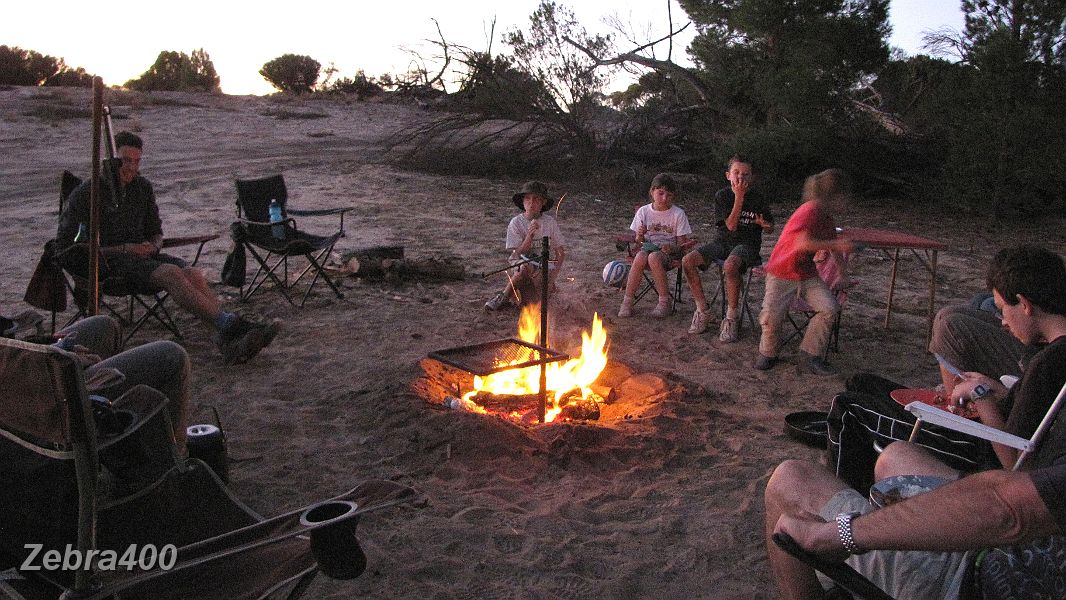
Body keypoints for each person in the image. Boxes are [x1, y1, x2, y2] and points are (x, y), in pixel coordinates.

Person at [827, 245, 1066, 491]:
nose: (1003, 322)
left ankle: (852, 517)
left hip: (979, 451)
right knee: (861, 383)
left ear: (1024, 305)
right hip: (986, 435)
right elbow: (1036, 408)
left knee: (848, 408)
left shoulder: (1047, 363)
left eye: (1002, 308)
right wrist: (998, 390)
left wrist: (980, 395)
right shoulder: (1052, 354)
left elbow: (1015, 462)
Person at [56, 131, 276, 365]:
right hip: (107, 264)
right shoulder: (87, 194)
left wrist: (154, 245)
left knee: (193, 274)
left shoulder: (142, 187)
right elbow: (68, 246)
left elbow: (156, 230)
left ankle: (225, 340)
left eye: (136, 161)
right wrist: (124, 249)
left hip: (143, 258)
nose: (131, 167)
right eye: (125, 161)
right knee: (171, 273)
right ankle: (231, 325)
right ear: (110, 160)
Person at [764, 458, 1065, 600]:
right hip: (1020, 554)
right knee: (895, 457)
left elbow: (1008, 511)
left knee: (790, 478)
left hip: (968, 575)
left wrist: (839, 534)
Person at [754, 169, 853, 376]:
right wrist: (839, 245)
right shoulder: (809, 211)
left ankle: (810, 355)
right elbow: (803, 243)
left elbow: (833, 246)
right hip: (782, 270)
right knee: (772, 316)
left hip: (806, 273)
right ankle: (768, 353)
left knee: (829, 308)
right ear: (833, 196)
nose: (847, 202)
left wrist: (843, 275)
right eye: (844, 197)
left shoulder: (826, 218)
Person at [681, 156, 773, 342]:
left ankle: (731, 317)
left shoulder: (758, 198)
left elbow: (770, 227)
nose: (741, 178)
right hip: (722, 242)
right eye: (736, 173)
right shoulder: (722, 196)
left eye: (746, 174)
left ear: (751, 178)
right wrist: (738, 197)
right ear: (728, 175)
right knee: (687, 261)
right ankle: (703, 310)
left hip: (747, 244)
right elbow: (730, 226)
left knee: (730, 266)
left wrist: (765, 225)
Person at [617, 173, 693, 319]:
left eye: (669, 195)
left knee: (654, 257)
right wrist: (639, 235)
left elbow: (683, 245)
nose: (664, 198)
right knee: (640, 255)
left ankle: (664, 302)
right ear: (652, 192)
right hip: (648, 249)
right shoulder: (643, 212)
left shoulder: (678, 214)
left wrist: (672, 248)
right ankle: (627, 301)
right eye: (661, 193)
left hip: (669, 254)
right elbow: (639, 242)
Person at [485, 181, 567, 310]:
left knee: (536, 302)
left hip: (542, 266)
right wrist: (529, 236)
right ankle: (503, 297)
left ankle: (530, 293)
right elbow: (516, 253)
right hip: (519, 262)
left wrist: (552, 278)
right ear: (523, 201)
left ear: (543, 202)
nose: (531, 203)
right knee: (524, 268)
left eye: (536, 199)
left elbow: (560, 253)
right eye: (527, 198)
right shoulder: (516, 223)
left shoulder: (549, 223)